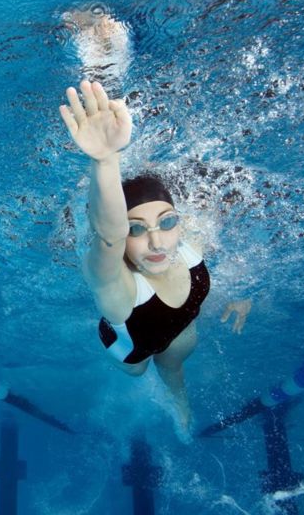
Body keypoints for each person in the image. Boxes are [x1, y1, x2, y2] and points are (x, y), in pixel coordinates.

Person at [59, 80, 251, 431]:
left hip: (178, 330)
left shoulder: (190, 240)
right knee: (140, 371)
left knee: (174, 368)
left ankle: (180, 405)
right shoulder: (119, 287)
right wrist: (105, 161)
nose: (158, 242)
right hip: (131, 351)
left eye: (167, 222)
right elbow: (108, 238)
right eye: (136, 229)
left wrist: (238, 296)